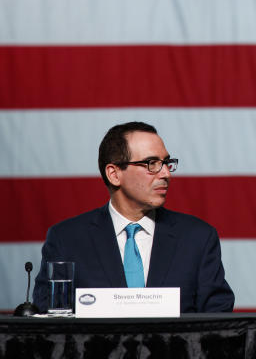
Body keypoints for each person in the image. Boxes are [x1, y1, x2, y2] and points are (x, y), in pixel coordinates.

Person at [33, 121, 234, 313]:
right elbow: (50, 324)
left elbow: (218, 322)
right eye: (151, 163)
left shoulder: (197, 238)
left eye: (166, 163)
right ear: (114, 174)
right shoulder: (66, 240)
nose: (166, 174)